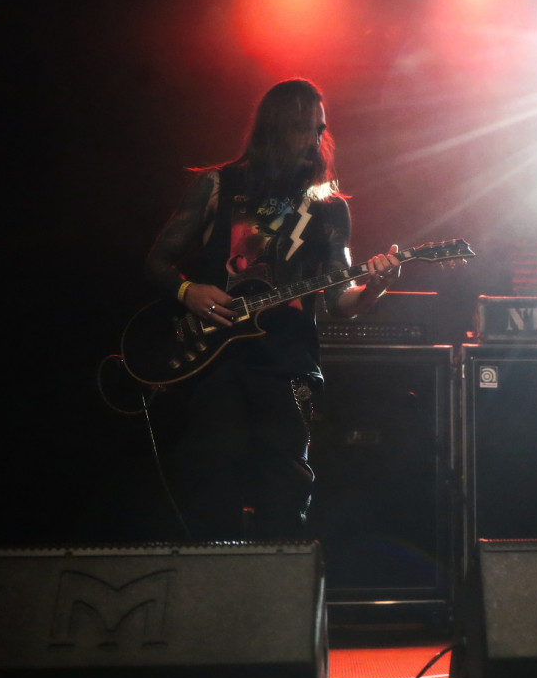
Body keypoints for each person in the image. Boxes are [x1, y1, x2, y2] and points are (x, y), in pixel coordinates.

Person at [143, 78, 401, 542]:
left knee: (285, 495)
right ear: (277, 127)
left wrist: (375, 288)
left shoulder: (329, 208)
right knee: (211, 487)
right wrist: (187, 291)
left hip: (287, 367)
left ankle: (279, 583)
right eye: (305, 128)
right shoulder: (218, 185)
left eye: (320, 129)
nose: (315, 140)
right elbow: (157, 262)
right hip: (215, 361)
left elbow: (340, 300)